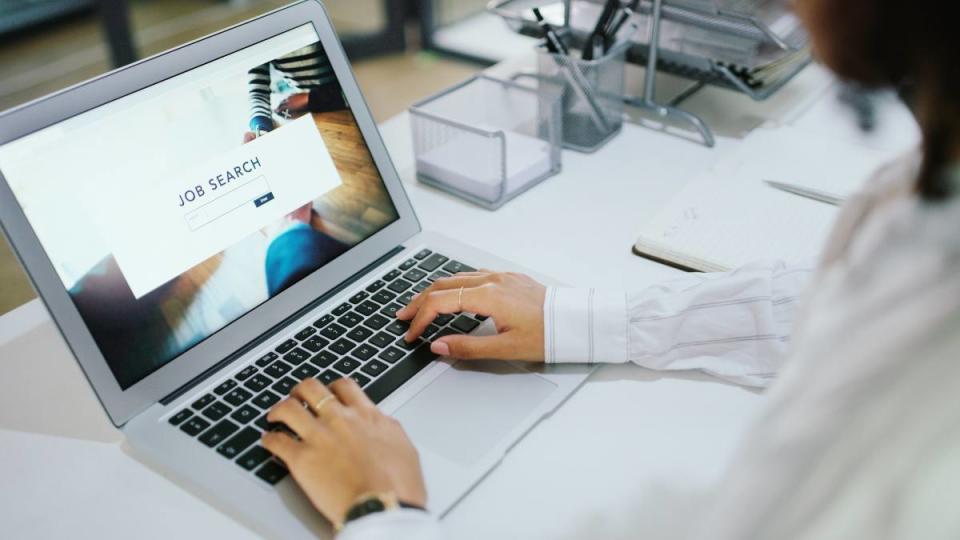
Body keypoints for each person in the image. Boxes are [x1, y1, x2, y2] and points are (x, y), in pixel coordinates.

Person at [261, 0, 960, 537]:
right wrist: (583, 318)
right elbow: (823, 301)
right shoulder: (927, 198)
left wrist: (383, 512)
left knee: (288, 255)